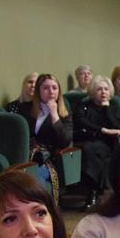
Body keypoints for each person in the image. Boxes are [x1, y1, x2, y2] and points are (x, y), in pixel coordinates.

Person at [73, 75, 120, 209]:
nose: (103, 92)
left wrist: (106, 109)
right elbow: (81, 122)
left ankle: (93, 191)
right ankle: (96, 190)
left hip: (107, 143)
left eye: (106, 89)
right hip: (86, 140)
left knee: (94, 151)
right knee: (89, 150)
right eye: (99, 89)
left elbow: (118, 127)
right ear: (92, 91)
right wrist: (102, 130)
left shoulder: (114, 106)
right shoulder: (84, 105)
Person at [23, 74, 73, 202]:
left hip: (49, 159)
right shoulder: (26, 109)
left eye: (54, 88)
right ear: (38, 91)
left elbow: (64, 141)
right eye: (46, 88)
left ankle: (41, 209)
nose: (51, 91)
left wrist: (54, 114)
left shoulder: (64, 114)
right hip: (26, 156)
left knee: (35, 176)